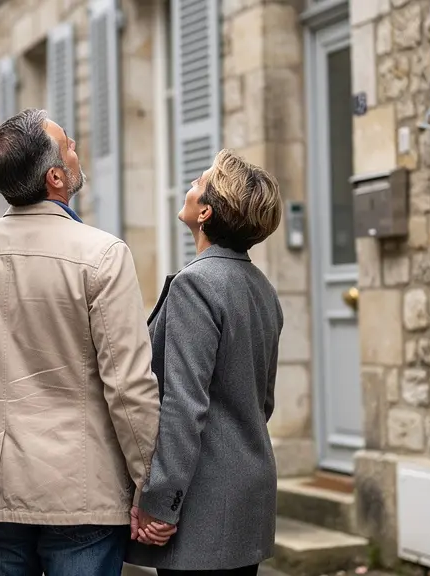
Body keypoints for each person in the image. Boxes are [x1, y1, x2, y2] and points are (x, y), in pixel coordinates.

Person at [0, 108, 161, 576]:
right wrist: (150, 487)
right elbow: (128, 386)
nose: (77, 149)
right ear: (56, 176)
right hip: (81, 489)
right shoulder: (103, 256)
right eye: (70, 145)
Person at [127, 149, 285, 576]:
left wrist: (160, 503)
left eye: (197, 184)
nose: (188, 189)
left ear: (206, 212)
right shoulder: (262, 289)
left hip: (203, 505)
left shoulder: (195, 284)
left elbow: (183, 405)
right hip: (248, 493)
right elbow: (262, 402)